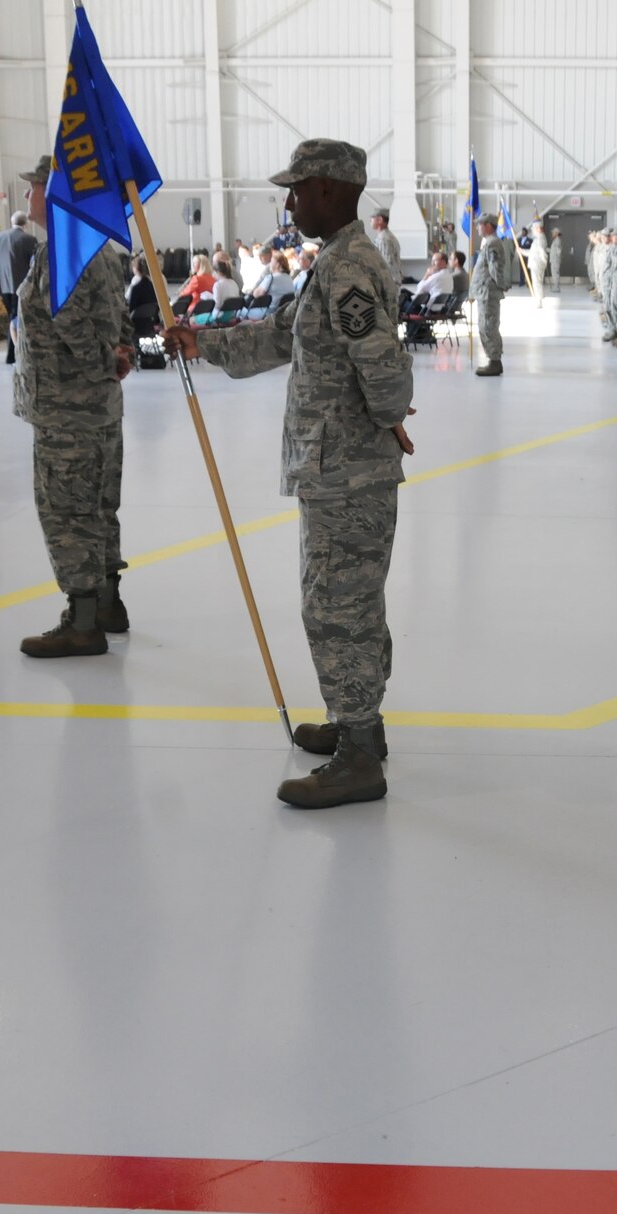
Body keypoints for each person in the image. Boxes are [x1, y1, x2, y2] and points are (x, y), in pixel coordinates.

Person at [164, 139, 415, 810]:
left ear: (330, 190)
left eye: (298, 189)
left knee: (337, 605)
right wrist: (203, 341)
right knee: (345, 599)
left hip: (347, 474)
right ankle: (357, 721)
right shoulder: (334, 262)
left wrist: (390, 411)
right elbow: (283, 335)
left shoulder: (350, 267)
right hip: (334, 467)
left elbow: (385, 369)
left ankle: (358, 752)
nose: (290, 200)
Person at [8, 155, 134, 659]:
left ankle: (82, 622)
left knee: (67, 512)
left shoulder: (61, 250)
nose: (27, 196)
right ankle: (108, 604)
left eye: (35, 186)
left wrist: (103, 359)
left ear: (56, 191)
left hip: (66, 411)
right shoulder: (100, 248)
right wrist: (116, 358)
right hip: (100, 407)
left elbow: (70, 323)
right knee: (99, 508)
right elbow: (120, 316)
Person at [0, 211, 39, 366]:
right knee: (19, 318)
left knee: (12, 316)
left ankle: (12, 353)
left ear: (12, 222)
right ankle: (15, 352)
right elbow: (34, 264)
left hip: (4, 286)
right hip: (22, 286)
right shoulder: (30, 239)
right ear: (26, 224)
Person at [470, 216, 510, 376]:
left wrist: (501, 284)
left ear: (488, 226)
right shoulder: (488, 242)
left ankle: (495, 361)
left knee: (489, 326)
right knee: (484, 326)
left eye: (480, 225)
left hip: (488, 292)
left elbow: (495, 268)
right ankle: (493, 360)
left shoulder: (493, 243)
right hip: (483, 292)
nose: (478, 228)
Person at [371, 209, 402, 286]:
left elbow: (387, 263)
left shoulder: (384, 239)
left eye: (372, 218)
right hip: (391, 282)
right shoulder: (388, 237)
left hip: (388, 283)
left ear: (380, 220)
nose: (370, 221)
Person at [547, 227, 565, 291]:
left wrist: (557, 258)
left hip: (555, 260)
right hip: (554, 260)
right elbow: (553, 250)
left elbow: (558, 251)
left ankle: (556, 287)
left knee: (555, 273)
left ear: (556, 233)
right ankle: (556, 286)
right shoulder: (555, 240)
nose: (552, 234)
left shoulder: (557, 240)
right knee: (554, 273)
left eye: (553, 232)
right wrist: (546, 249)